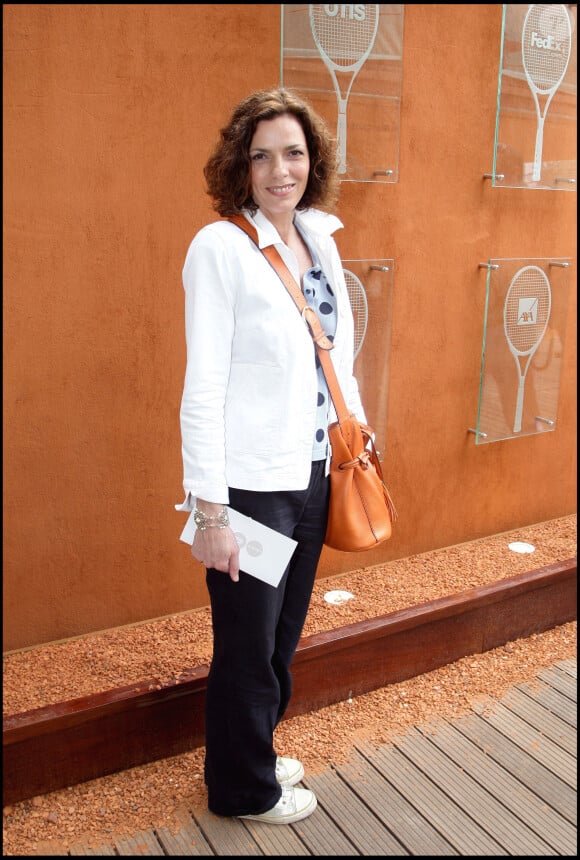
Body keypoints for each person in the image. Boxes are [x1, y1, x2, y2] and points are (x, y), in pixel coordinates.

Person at [176, 88, 367, 824]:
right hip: (251, 488)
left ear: (312, 159)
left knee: (282, 638)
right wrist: (210, 508)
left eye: (293, 152)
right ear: (240, 167)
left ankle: (247, 753)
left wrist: (357, 426)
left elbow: (337, 355)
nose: (279, 170)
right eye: (261, 156)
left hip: (314, 473)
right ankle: (242, 791)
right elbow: (205, 388)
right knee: (247, 647)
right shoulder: (220, 247)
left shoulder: (320, 239)